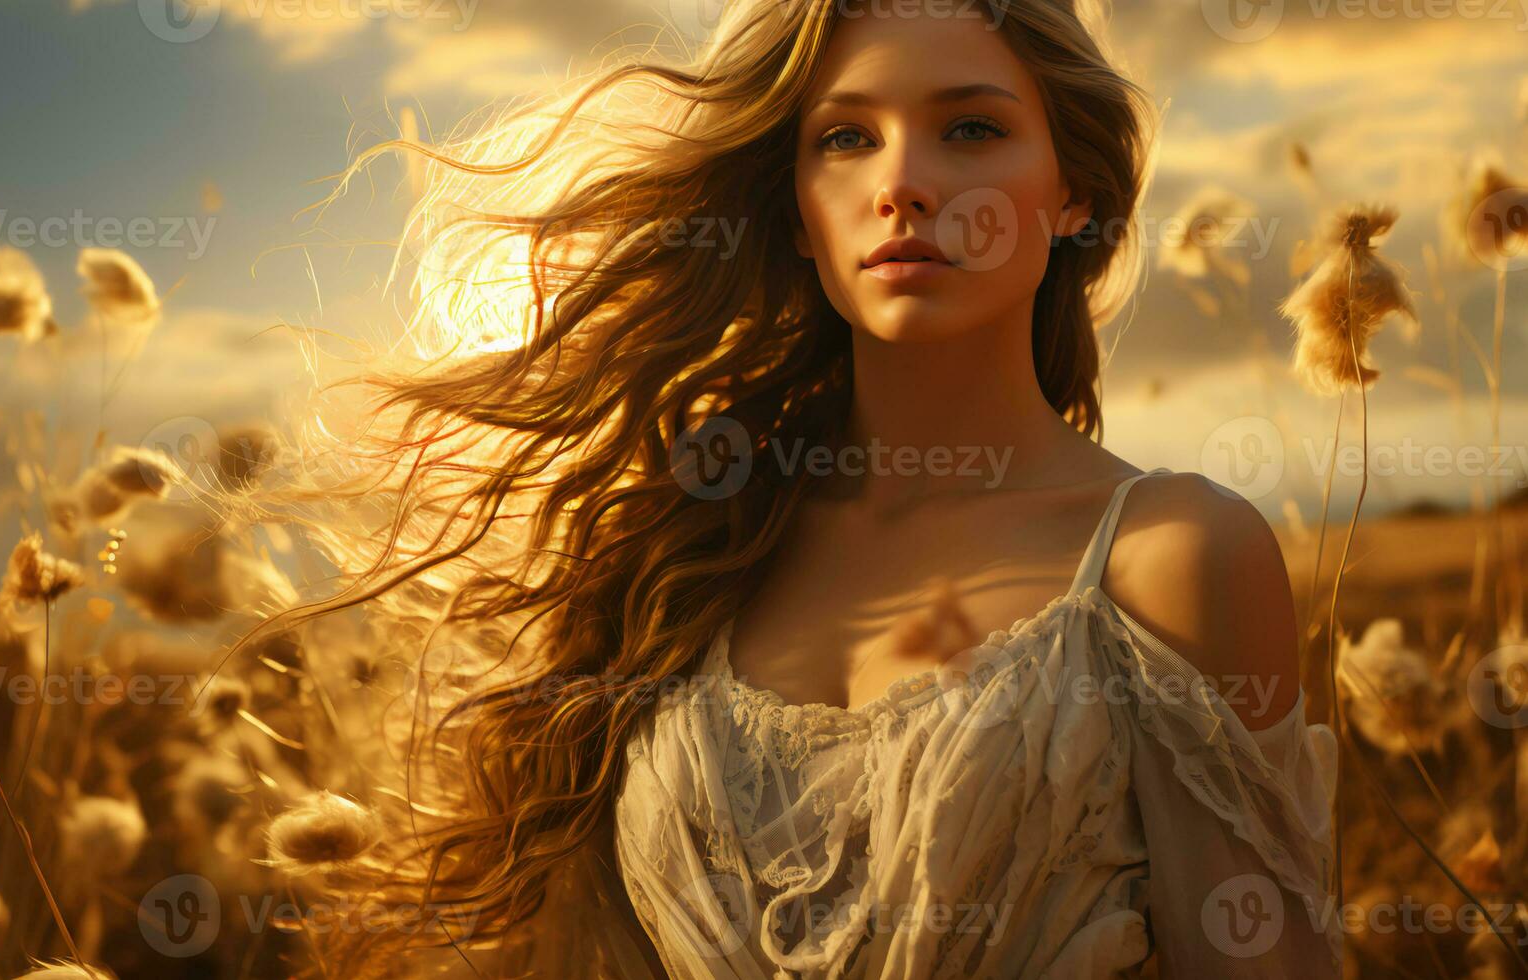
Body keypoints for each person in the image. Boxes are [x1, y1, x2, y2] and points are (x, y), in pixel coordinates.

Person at [286, 1, 1340, 976]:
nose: (904, 183)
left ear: (1075, 195)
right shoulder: (688, 546)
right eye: (845, 138)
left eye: (970, 129)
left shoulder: (1171, 557)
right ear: (795, 212)